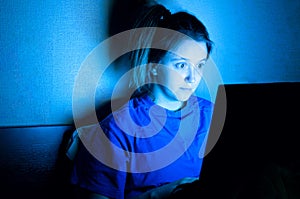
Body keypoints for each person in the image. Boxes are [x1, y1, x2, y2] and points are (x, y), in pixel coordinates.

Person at [68, 2, 214, 199]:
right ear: (154, 66)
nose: (192, 78)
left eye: (199, 66)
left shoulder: (211, 115)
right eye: (181, 65)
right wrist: (161, 194)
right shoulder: (117, 129)